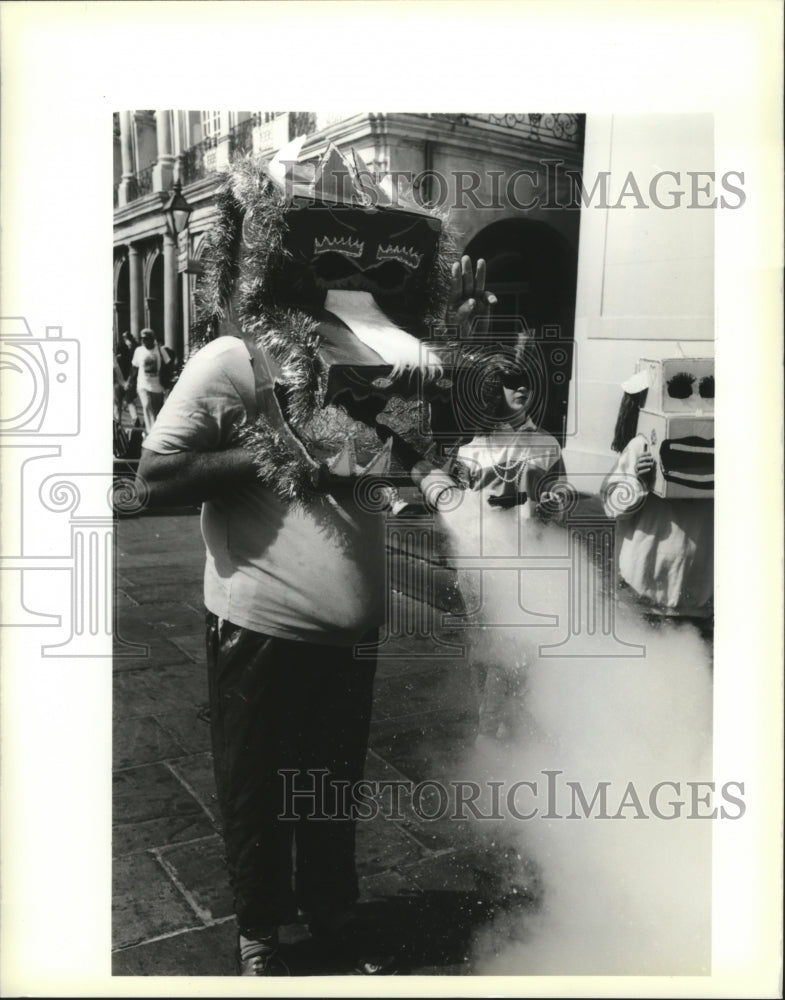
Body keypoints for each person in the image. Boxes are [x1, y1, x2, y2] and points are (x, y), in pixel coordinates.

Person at [137, 251, 493, 976]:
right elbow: (154, 478)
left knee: (331, 792)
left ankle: (333, 917)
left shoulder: (366, 360)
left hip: (350, 635)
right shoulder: (233, 358)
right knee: (257, 790)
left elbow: (391, 459)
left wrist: (444, 474)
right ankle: (262, 933)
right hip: (261, 629)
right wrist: (277, 448)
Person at [453, 358, 567, 744]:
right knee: (481, 648)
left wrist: (552, 500)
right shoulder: (471, 448)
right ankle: (487, 716)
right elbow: (455, 511)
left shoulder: (547, 444)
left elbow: (561, 496)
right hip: (478, 562)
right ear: (491, 392)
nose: (522, 389)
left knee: (511, 646)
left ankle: (490, 729)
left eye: (527, 382)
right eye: (511, 382)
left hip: (525, 559)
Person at [600, 375, 714, 634]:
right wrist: (638, 482)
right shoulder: (641, 445)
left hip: (695, 594)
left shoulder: (724, 445)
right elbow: (612, 506)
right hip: (645, 590)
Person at [129, 328, 172, 434]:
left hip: (158, 387)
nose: (144, 341)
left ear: (153, 339)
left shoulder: (161, 350)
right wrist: (129, 381)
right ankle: (151, 433)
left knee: (157, 413)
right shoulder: (138, 351)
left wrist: (168, 379)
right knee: (147, 405)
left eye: (147, 339)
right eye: (142, 339)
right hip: (143, 386)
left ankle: (157, 432)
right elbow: (134, 368)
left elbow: (169, 364)